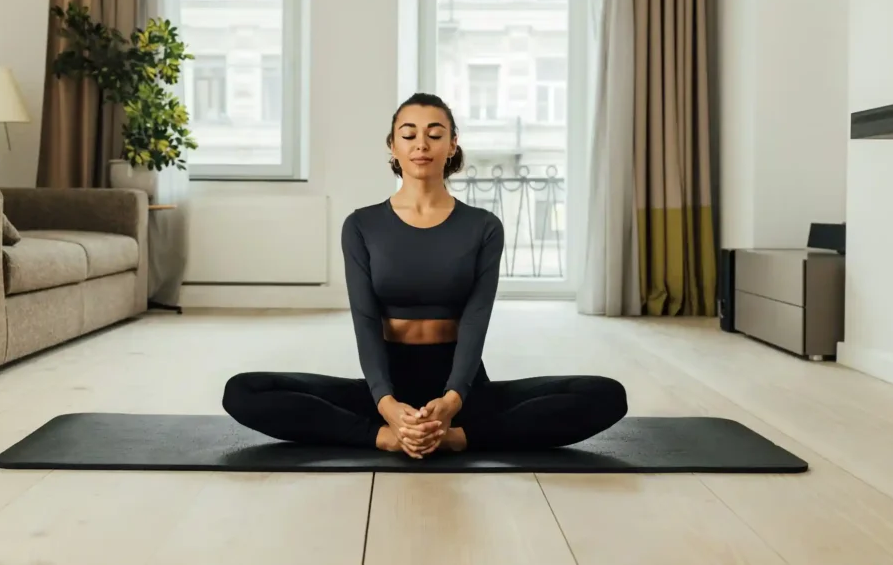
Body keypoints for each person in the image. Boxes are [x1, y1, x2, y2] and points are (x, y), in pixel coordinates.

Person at [222, 92, 628, 458]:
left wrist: (453, 401)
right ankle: (384, 437)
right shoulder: (361, 225)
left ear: (452, 145)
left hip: (462, 387)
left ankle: (459, 437)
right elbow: (365, 321)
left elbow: (476, 320)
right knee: (243, 391)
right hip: (385, 389)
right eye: (409, 133)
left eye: (435, 134)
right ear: (392, 146)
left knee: (606, 395)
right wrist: (386, 409)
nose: (421, 144)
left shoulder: (483, 227)